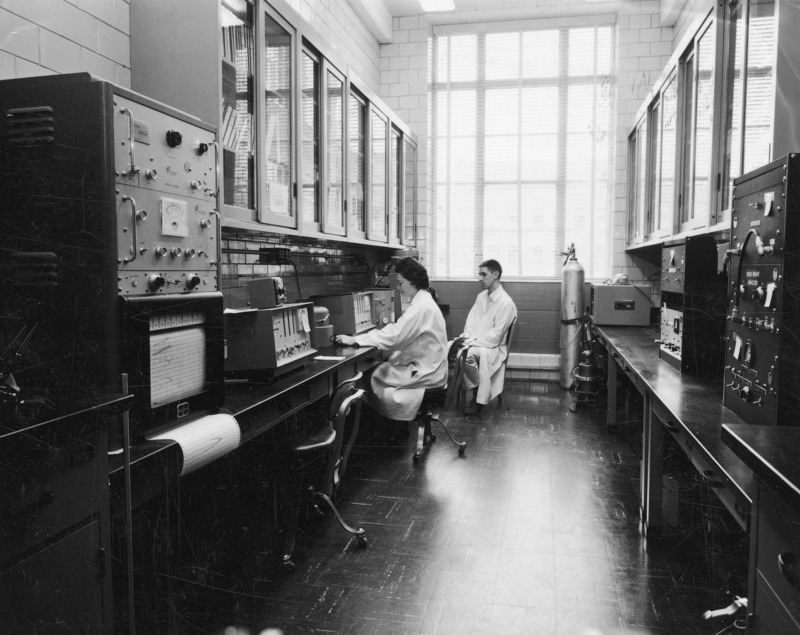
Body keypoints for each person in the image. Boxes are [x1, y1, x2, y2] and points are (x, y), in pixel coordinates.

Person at [333, 258, 448, 422]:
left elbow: (394, 336)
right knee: (385, 366)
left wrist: (356, 340)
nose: (399, 288)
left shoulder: (421, 307)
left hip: (426, 373)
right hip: (430, 368)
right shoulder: (424, 302)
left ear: (412, 281)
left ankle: (369, 425)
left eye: (401, 283)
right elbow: (398, 331)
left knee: (371, 375)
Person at [459, 259, 517, 416]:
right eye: (479, 274)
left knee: (468, 355)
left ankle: (477, 395)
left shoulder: (506, 303)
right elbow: (470, 322)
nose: (480, 278)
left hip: (493, 348)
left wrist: (472, 342)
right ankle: (453, 392)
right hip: (476, 342)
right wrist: (467, 338)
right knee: (453, 348)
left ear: (495, 274)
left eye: (483, 274)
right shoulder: (481, 297)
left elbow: (496, 336)